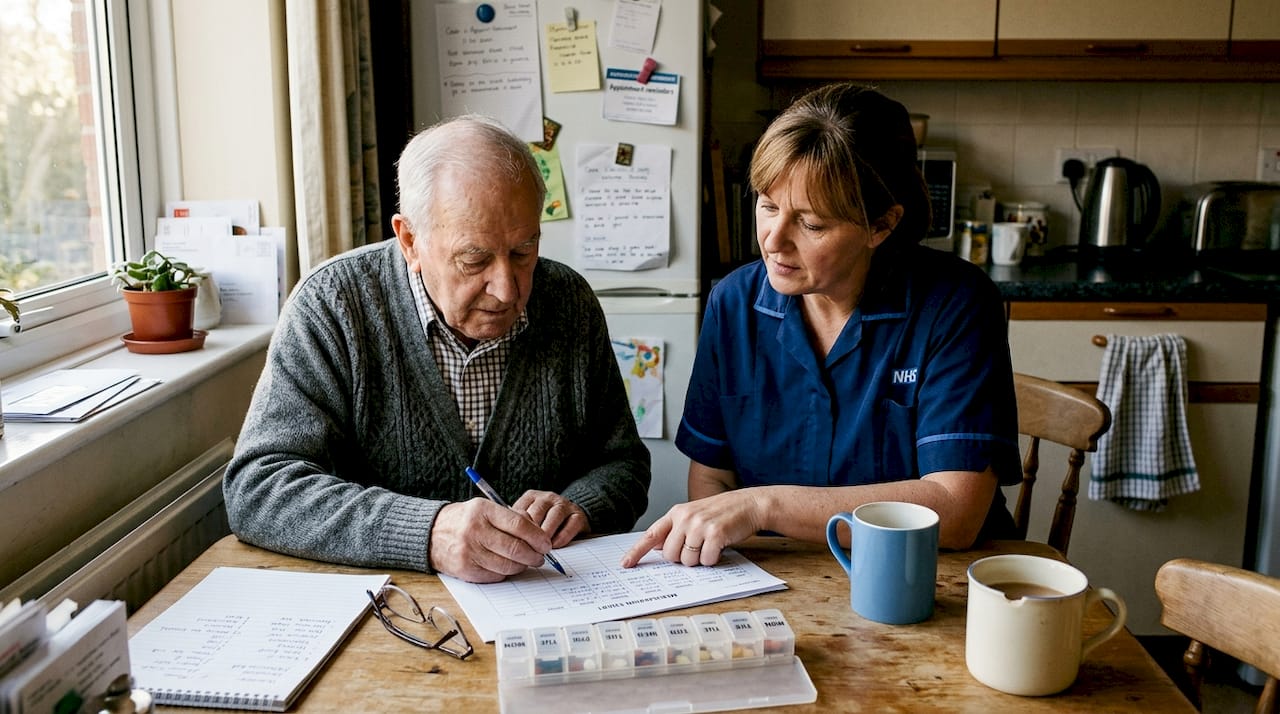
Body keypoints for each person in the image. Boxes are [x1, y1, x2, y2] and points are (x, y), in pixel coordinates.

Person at [225, 115, 650, 583]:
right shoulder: (333, 306)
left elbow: (624, 464)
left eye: (524, 252)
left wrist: (582, 504)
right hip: (389, 616)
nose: (507, 289)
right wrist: (426, 532)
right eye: (475, 260)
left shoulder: (568, 301)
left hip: (543, 605)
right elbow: (258, 488)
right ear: (410, 240)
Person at [622, 83, 1021, 569]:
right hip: (778, 578)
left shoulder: (954, 304)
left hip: (929, 580)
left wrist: (763, 504)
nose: (773, 240)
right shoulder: (734, 303)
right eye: (767, 206)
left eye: (811, 225)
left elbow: (956, 510)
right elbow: (713, 481)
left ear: (881, 225)